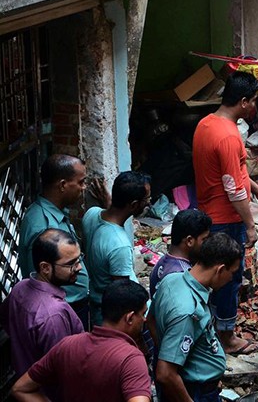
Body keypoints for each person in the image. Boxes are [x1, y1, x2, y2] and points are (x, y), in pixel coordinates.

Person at [192, 71, 258, 354]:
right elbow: (234, 189)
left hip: (209, 212)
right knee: (228, 278)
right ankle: (226, 337)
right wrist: (250, 224)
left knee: (214, 275)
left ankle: (213, 327)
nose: (254, 107)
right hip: (225, 218)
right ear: (242, 101)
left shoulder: (206, 124)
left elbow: (235, 171)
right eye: (253, 101)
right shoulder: (228, 136)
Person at [11, 280, 151, 402]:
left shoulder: (66, 346)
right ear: (130, 317)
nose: (144, 320)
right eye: (143, 313)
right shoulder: (131, 359)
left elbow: (21, 388)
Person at [153, 233, 244, 402]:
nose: (231, 278)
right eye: (231, 273)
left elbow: (151, 320)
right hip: (193, 391)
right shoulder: (188, 312)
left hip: (202, 383)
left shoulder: (171, 280)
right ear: (220, 269)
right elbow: (165, 374)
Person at [1, 229, 84, 380]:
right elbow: (63, 369)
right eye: (71, 263)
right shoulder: (54, 315)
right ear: (45, 267)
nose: (79, 267)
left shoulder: (20, 287)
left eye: (79, 259)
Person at [19, 155, 91, 329]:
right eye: (81, 182)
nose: (84, 187)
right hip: (62, 309)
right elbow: (40, 279)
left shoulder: (56, 214)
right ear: (63, 185)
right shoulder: (43, 225)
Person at [85, 171, 152, 327]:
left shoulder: (91, 214)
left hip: (97, 304)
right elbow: (122, 297)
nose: (148, 203)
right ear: (134, 205)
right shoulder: (119, 245)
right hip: (114, 316)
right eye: (147, 199)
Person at [150, 209, 212, 297]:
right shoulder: (183, 275)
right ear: (189, 241)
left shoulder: (161, 261)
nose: (207, 244)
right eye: (204, 239)